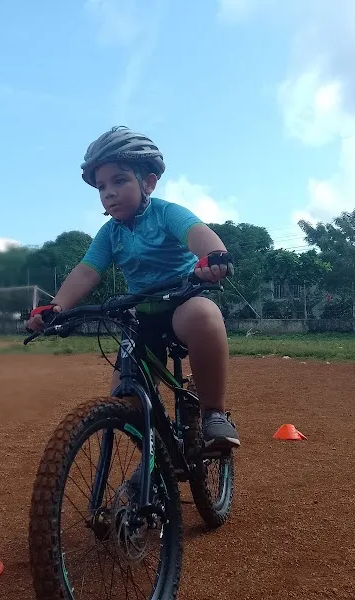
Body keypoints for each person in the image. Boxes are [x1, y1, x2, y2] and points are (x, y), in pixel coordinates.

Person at [26, 126, 240, 451]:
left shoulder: (166, 213)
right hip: (142, 316)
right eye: (101, 186)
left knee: (202, 314)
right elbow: (86, 271)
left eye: (120, 180)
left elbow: (197, 233)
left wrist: (212, 257)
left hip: (182, 301)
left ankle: (212, 412)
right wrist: (56, 306)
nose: (109, 192)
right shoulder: (109, 233)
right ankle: (156, 466)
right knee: (125, 399)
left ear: (149, 182)